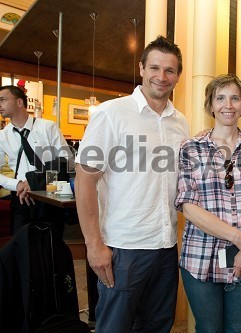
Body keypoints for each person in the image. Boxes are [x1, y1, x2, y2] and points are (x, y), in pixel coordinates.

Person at [75, 36, 189, 333]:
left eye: (170, 70)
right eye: (155, 68)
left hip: (165, 246)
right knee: (115, 327)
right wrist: (93, 245)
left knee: (157, 326)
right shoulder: (111, 114)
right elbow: (85, 179)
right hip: (123, 248)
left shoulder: (181, 122)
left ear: (178, 76)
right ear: (141, 68)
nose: (161, 77)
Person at [175, 74, 241, 333]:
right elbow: (187, 204)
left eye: (234, 98)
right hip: (200, 256)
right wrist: (238, 239)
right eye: (220, 98)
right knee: (208, 329)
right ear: (210, 105)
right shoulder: (190, 147)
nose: (227, 105)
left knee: (239, 328)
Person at [0, 85, 71, 235]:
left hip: (49, 194)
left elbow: (65, 159)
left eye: (3, 100)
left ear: (19, 102)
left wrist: (34, 182)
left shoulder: (47, 127)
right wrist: (18, 184)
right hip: (20, 196)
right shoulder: (2, 136)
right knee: (21, 245)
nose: (0, 105)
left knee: (51, 243)